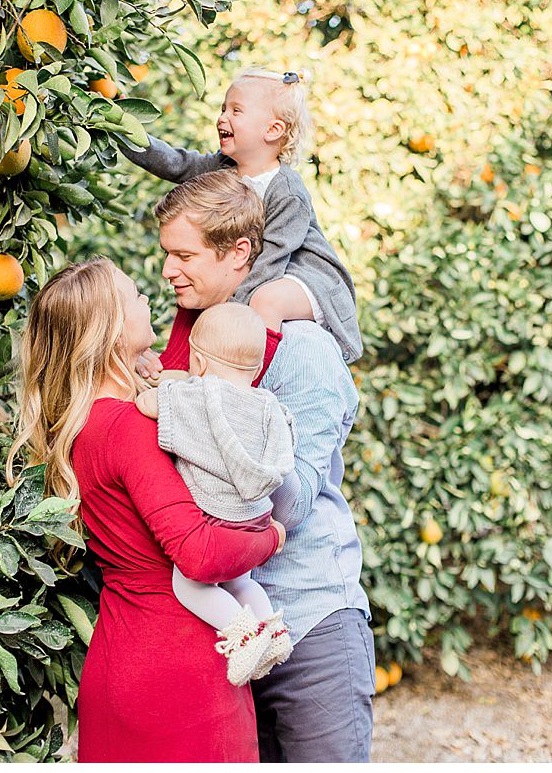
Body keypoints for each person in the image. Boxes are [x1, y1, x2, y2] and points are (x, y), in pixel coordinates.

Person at [5, 257, 286, 763]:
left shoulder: (88, 424)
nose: (149, 295)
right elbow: (198, 555)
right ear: (113, 329)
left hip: (122, 659)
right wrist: (271, 537)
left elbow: (198, 348)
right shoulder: (131, 428)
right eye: (135, 294)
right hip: (180, 675)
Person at [151, 170, 375, 763]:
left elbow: (292, 504)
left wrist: (217, 410)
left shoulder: (302, 349)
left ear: (239, 254)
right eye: (166, 254)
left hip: (308, 622)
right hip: (228, 629)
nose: (169, 270)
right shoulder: (189, 342)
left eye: (184, 255)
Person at [118, 68, 362, 383]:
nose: (222, 117)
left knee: (263, 300)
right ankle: (188, 368)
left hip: (305, 276)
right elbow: (175, 162)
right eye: (223, 108)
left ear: (273, 130)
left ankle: (246, 382)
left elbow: (274, 256)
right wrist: (120, 127)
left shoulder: (286, 191)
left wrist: (229, 311)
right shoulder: (222, 167)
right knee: (206, 286)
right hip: (265, 268)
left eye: (236, 110)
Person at [136, 301, 298, 686]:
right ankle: (273, 631)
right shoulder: (268, 406)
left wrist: (157, 387)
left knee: (190, 585)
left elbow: (146, 403)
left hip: (218, 518)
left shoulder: (196, 399)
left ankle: (243, 635)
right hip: (257, 517)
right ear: (256, 368)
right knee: (241, 581)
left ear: (201, 365)